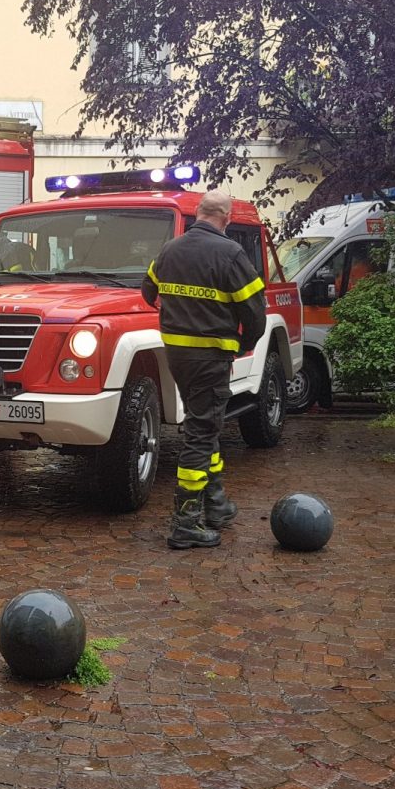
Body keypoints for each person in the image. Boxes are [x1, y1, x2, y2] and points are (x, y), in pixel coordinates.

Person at [141, 191, 266, 549]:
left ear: (198, 214)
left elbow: (148, 292)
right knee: (201, 433)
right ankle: (186, 522)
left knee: (202, 423)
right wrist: (245, 342)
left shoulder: (170, 249)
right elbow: (254, 312)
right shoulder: (231, 254)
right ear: (226, 218)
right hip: (212, 357)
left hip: (178, 356)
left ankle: (217, 505)